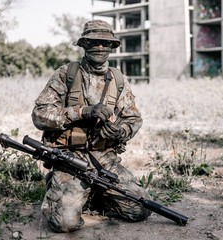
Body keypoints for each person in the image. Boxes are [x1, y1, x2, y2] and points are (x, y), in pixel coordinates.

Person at [31, 19, 151, 233]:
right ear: (84, 44)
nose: (100, 46)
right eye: (94, 41)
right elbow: (40, 115)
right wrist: (81, 112)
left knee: (140, 209)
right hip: (70, 158)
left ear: (113, 47)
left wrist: (120, 131)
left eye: (105, 42)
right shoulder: (66, 74)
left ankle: (94, 193)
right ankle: (59, 186)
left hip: (105, 158)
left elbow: (133, 119)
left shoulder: (118, 79)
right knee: (64, 223)